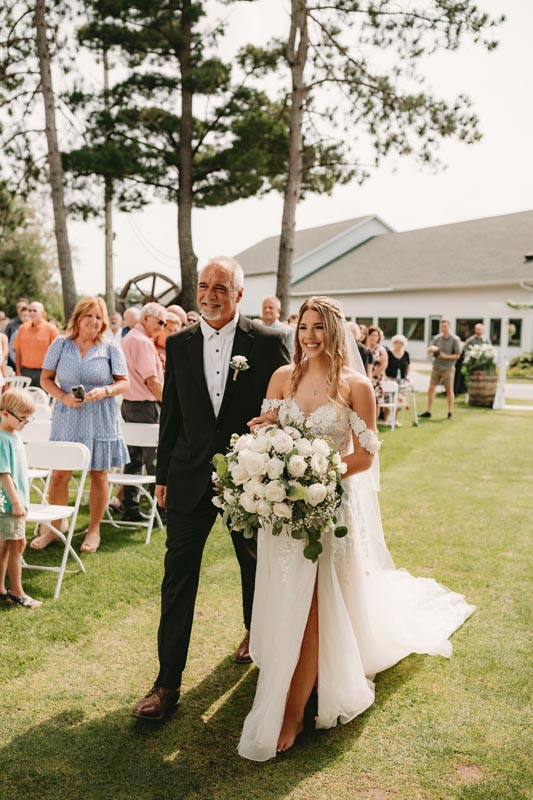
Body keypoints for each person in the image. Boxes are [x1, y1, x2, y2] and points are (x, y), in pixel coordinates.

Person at [238, 296, 475, 761]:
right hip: (283, 512)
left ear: (335, 331)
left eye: (318, 328)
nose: (308, 336)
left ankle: (293, 710)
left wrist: (316, 476)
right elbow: (268, 431)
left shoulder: (355, 386)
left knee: (314, 604)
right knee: (285, 593)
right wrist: (265, 440)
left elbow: (365, 456)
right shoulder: (282, 378)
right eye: (303, 327)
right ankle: (298, 670)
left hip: (329, 508)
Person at [130, 256, 289, 721]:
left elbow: (282, 406)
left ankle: (256, 638)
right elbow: (172, 414)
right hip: (187, 476)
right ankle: (166, 683)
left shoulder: (268, 341)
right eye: (203, 286)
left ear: (239, 294)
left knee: (255, 565)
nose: (210, 294)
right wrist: (161, 477)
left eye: (221, 286)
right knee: (178, 576)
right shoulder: (177, 342)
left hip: (248, 479)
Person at [34, 297, 130, 553]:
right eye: (89, 316)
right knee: (59, 475)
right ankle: (55, 528)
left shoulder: (110, 348)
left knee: (98, 475)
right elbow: (46, 379)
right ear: (77, 318)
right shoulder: (61, 345)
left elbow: (124, 382)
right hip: (67, 418)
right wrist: (63, 396)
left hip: (100, 418)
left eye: (99, 317)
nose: (95, 322)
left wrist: (106, 390)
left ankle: (94, 529)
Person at [120, 302, 167, 522]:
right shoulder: (141, 342)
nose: (162, 326)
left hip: (130, 404)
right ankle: (161, 509)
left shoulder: (129, 338)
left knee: (133, 458)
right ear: (146, 318)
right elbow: (152, 381)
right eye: (160, 322)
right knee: (154, 459)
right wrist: (168, 403)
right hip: (146, 406)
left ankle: (131, 507)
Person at [0, 388, 43, 608]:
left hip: (15, 502)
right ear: (5, 413)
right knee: (17, 545)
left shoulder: (14, 434)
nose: (25, 423)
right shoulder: (2, 439)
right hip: (9, 504)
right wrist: (16, 502)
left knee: (8, 545)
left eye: (29, 419)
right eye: (22, 419)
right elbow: (3, 473)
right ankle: (17, 592)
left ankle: (1, 589)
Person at [421, 319, 462, 420]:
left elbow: (458, 355)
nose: (443, 328)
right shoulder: (437, 338)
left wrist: (446, 356)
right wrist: (431, 350)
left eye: (445, 326)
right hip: (437, 366)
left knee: (449, 390)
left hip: (448, 368)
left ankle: (450, 412)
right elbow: (431, 349)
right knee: (431, 388)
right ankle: (429, 411)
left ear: (449, 327)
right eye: (442, 327)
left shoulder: (455, 339)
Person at [14, 301, 59, 387]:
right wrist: (18, 371)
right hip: (25, 371)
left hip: (44, 373)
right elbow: (18, 352)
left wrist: (53, 375)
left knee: (43, 399)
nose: (31, 313)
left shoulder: (51, 330)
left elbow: (57, 355)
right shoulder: (22, 328)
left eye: (35, 311)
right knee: (26, 400)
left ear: (42, 313)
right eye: (30, 310)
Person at [385, 334, 411, 426]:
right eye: (396, 342)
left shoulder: (406, 354)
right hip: (390, 379)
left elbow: (408, 366)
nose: (398, 344)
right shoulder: (388, 353)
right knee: (388, 399)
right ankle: (386, 418)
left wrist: (407, 376)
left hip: (401, 380)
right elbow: (384, 366)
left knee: (400, 400)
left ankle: (394, 419)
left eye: (400, 343)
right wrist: (385, 377)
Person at [367, 325, 388, 415]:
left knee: (376, 402)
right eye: (372, 335)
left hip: (376, 380)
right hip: (364, 377)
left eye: (376, 335)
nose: (374, 337)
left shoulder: (381, 350)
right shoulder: (365, 348)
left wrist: (371, 375)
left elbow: (383, 365)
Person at [5, 298, 29, 370]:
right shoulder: (11, 324)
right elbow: (9, 343)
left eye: (22, 307)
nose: (20, 309)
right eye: (18, 307)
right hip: (14, 360)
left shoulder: (33, 324)